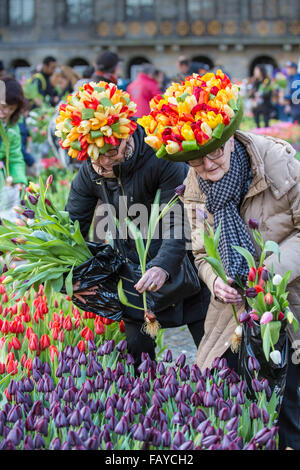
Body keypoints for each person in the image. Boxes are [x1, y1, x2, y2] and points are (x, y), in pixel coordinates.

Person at [181, 97, 300, 450]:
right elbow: (200, 252)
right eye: (196, 159)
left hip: (286, 301)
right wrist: (214, 281)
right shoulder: (193, 183)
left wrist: (265, 274)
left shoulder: (277, 162)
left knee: (289, 405)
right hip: (231, 310)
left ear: (230, 137)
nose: (207, 165)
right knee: (237, 405)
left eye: (215, 152)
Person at [64, 86, 210, 369]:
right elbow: (72, 229)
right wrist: (70, 279)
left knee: (217, 360)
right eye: (93, 155)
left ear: (127, 133)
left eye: (108, 152)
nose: (101, 162)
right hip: (133, 279)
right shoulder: (91, 172)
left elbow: (177, 219)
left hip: (183, 269)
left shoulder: (162, 157)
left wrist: (162, 266)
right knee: (139, 368)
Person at [0, 76, 27, 186]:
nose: (6, 112)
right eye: (3, 106)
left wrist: (19, 182)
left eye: (11, 109)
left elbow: (15, 158)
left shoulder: (12, 127)